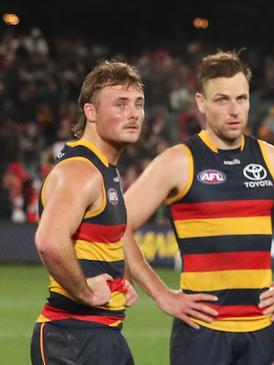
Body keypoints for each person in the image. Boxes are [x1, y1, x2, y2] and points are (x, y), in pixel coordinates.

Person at [122, 50, 274, 365]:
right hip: (202, 333)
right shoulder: (178, 162)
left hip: (262, 330)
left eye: (241, 99)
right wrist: (161, 294)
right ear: (200, 102)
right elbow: (117, 224)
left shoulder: (272, 160)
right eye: (222, 100)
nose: (234, 110)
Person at [31, 60, 144, 365]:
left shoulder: (103, 169)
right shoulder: (82, 171)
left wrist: (123, 281)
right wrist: (84, 292)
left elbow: (110, 237)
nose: (133, 113)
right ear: (90, 112)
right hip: (73, 337)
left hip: (98, 335)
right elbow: (49, 241)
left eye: (138, 104)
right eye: (120, 104)